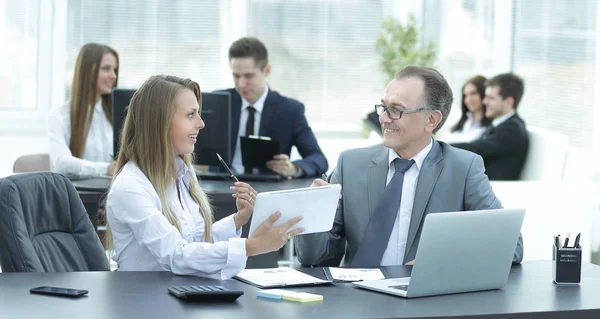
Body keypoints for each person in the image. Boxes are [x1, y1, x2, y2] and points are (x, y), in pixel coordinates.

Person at [295, 66, 523, 268]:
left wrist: (438, 259)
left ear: (431, 120)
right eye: (383, 107)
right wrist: (313, 214)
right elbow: (316, 259)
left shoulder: (463, 168)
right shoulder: (350, 164)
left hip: (423, 302)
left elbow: (512, 247)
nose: (384, 118)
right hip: (356, 300)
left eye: (396, 110)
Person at [105, 75, 304, 279]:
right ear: (160, 122)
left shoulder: (181, 173)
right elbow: (176, 254)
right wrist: (249, 247)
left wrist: (237, 220)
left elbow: (195, 244)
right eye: (191, 115)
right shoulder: (130, 187)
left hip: (179, 294)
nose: (201, 124)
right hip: (145, 301)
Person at [222, 37, 327, 177]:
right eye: (236, 76)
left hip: (267, 189)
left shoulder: (290, 110)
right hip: (221, 187)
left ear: (267, 70)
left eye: (249, 76)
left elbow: (319, 159)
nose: (241, 84)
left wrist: (294, 168)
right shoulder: (220, 102)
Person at [47, 43, 119, 179]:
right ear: (88, 71)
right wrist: (105, 169)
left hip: (113, 193)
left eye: (114, 70)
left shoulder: (115, 114)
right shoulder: (58, 116)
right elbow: (61, 163)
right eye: (106, 69)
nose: (113, 76)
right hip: (77, 197)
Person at [451, 73, 529, 181]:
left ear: (509, 102)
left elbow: (474, 149)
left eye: (491, 98)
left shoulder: (512, 129)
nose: (484, 101)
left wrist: (437, 147)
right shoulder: (500, 124)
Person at [443, 75, 491, 143]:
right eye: (466, 96)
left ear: (484, 94)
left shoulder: (491, 127)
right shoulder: (462, 123)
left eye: (473, 93)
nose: (468, 100)